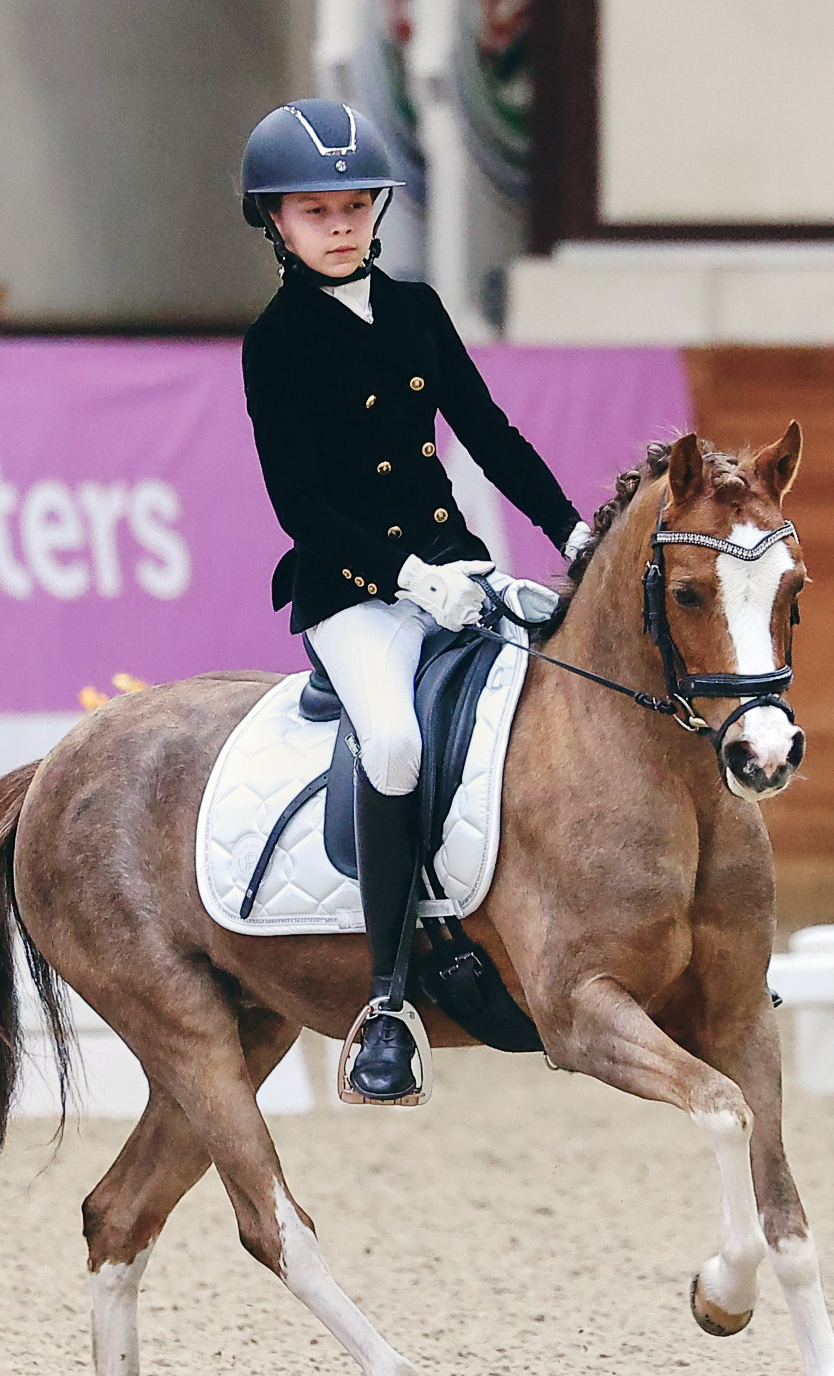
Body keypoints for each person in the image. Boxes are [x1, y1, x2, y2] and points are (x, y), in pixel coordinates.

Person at [239, 97, 591, 1106]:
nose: (341, 225)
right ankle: (387, 1003)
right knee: (392, 743)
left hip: (454, 566)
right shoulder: (276, 342)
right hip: (355, 595)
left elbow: (487, 432)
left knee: (572, 688)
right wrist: (406, 581)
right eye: (316, 211)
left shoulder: (416, 311)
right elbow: (298, 503)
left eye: (355, 205)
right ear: (276, 221)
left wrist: (568, 529)